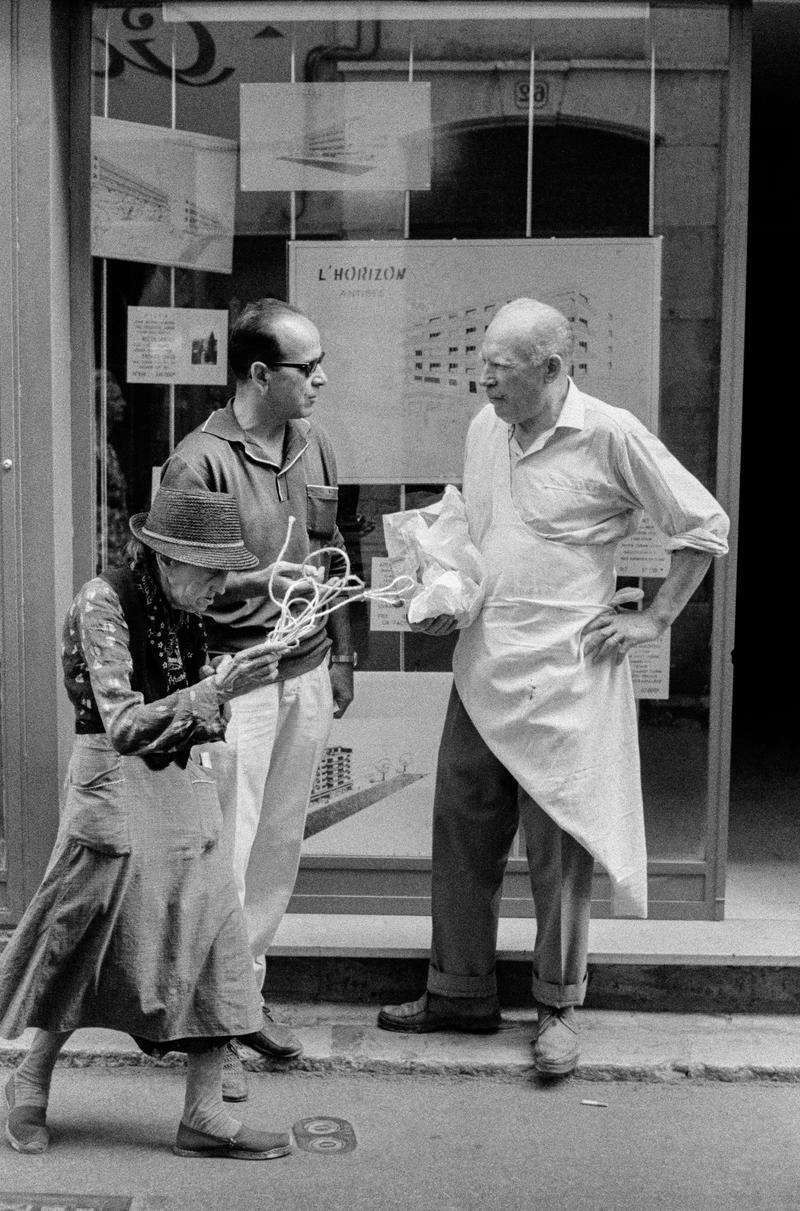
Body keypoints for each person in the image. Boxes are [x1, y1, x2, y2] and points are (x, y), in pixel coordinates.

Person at [377, 298, 729, 1076]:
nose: (487, 381)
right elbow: (475, 529)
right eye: (483, 366)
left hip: (570, 671)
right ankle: (458, 990)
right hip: (484, 661)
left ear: (552, 368)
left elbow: (704, 524)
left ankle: (559, 1005)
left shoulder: (610, 431)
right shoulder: (483, 429)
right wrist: (442, 587)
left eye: (502, 368)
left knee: (559, 847)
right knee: (461, 825)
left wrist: (655, 618)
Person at [0, 487, 298, 1160]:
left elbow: (198, 707)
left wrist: (224, 687)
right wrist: (218, 689)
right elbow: (127, 723)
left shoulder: (185, 605)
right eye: (210, 570)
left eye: (225, 570)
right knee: (83, 942)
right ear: (165, 560)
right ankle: (30, 1077)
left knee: (215, 930)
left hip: (180, 778)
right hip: (114, 780)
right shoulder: (102, 601)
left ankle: (203, 1114)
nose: (222, 585)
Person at [160, 297, 354, 1097]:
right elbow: (174, 587)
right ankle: (213, 1028)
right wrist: (265, 580)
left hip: (306, 672)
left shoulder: (314, 444)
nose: (321, 380)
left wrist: (343, 654)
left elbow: (341, 546)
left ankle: (248, 997)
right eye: (307, 369)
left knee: (277, 849)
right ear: (258, 374)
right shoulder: (199, 461)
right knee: (226, 859)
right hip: (236, 680)